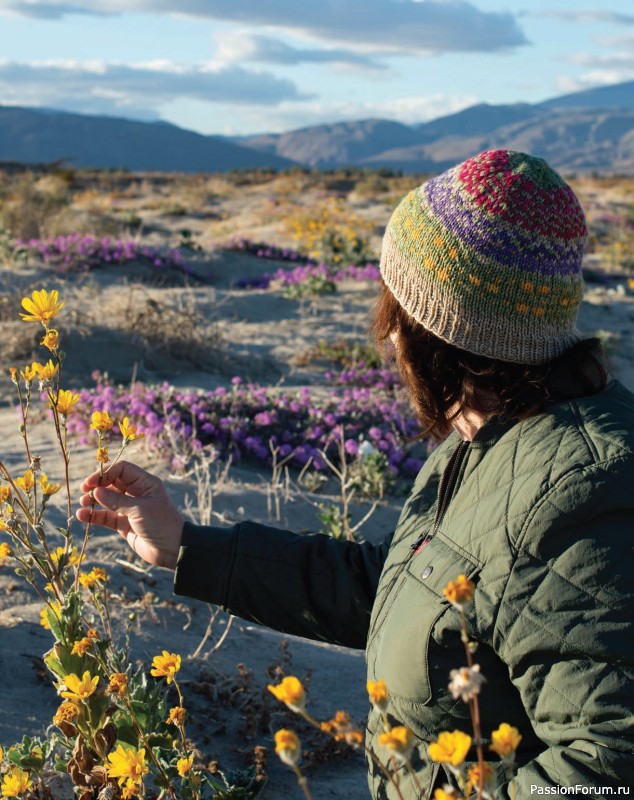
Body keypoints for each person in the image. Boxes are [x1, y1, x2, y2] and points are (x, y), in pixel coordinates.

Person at [77, 149, 634, 798]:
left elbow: (609, 763)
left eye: (396, 309)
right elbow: (409, 595)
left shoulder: (585, 493)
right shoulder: (491, 436)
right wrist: (188, 545)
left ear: (440, 328)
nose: (388, 339)